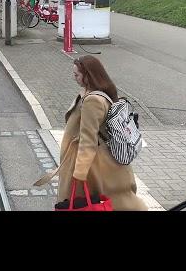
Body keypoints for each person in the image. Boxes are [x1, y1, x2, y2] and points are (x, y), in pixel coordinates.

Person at [50, 56, 147, 210]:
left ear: (88, 76)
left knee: (90, 202)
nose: (74, 78)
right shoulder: (100, 92)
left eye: (77, 75)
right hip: (103, 161)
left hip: (93, 166)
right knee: (113, 199)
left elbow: (88, 141)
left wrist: (79, 173)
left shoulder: (92, 101)